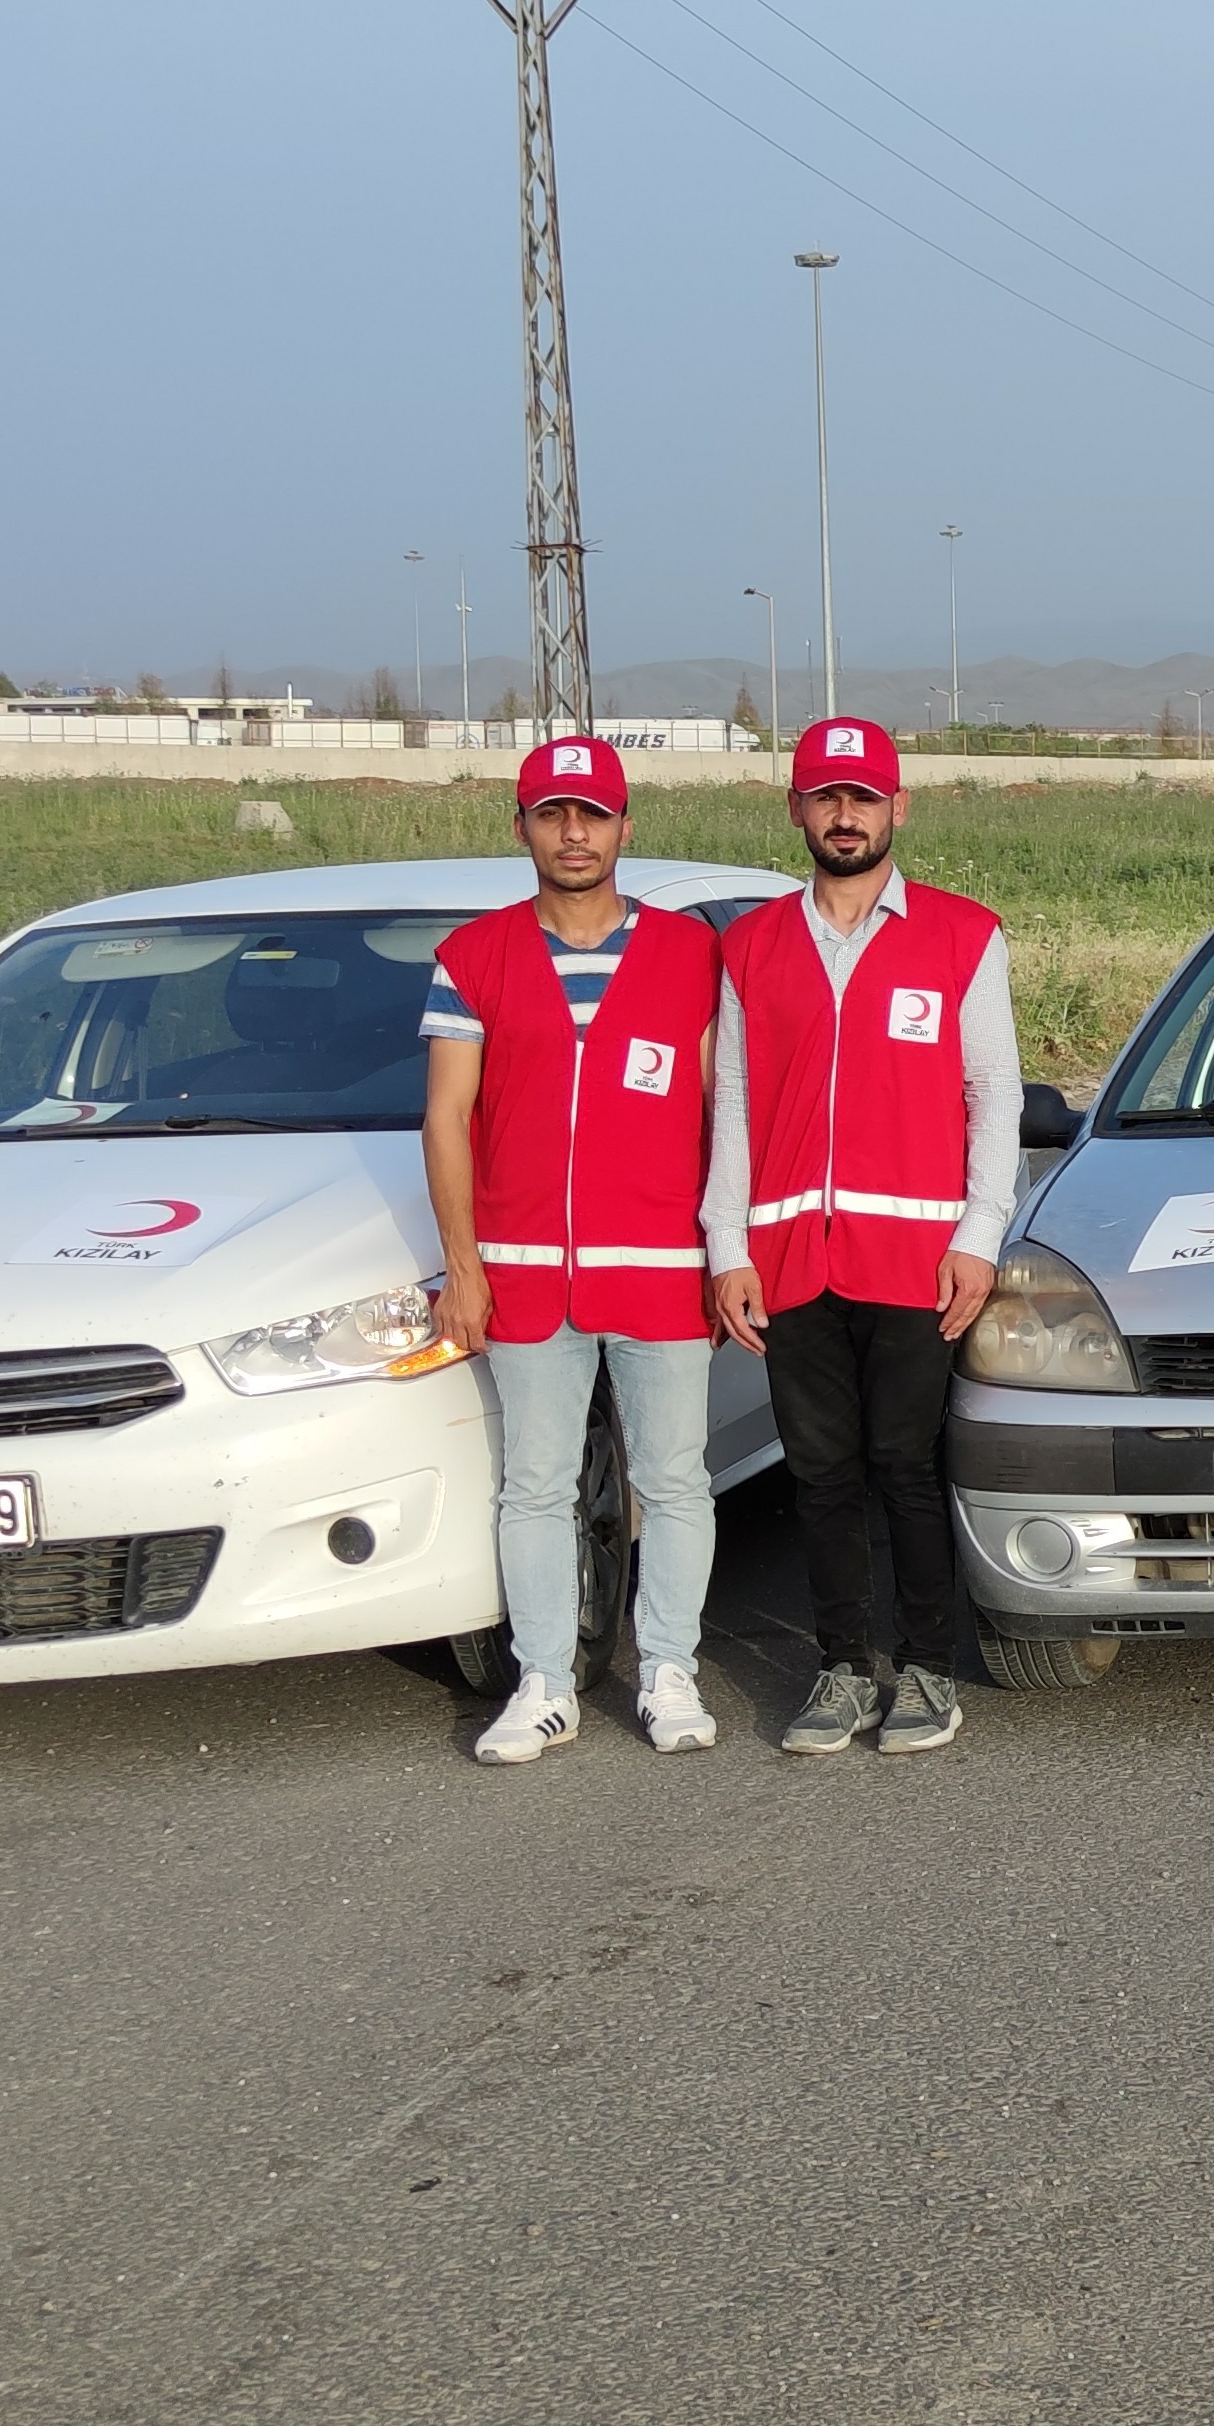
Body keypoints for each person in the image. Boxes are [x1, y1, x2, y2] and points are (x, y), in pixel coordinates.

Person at [706, 717, 1020, 1758]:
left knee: (904, 1468)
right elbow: (737, 1103)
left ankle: (928, 1668)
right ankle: (841, 1668)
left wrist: (979, 1235)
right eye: (826, 797)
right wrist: (727, 1245)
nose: (846, 815)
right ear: (796, 808)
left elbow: (993, 1097)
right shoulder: (750, 945)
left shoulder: (962, 935)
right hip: (794, 1257)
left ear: (898, 809)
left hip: (916, 1260)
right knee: (820, 1473)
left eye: (864, 797)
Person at [421, 736, 730, 1765]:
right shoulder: (473, 957)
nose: (572, 832)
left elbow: (717, 1109)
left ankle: (669, 1669)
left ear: (624, 827)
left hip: (659, 1268)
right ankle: (543, 1681)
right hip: (523, 1271)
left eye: (591, 814)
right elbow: (447, 1119)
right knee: (536, 1485)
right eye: (552, 814)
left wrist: (728, 1253)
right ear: (522, 827)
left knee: (673, 1479)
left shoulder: (691, 955)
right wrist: (463, 1269)